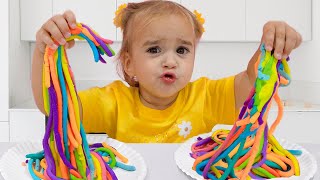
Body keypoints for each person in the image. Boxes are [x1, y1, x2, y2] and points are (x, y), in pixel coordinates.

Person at [31, 0, 302, 143]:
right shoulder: (113, 102)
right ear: (129, 64)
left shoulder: (206, 96)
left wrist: (271, 46)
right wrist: (45, 50)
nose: (170, 61)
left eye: (182, 51)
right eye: (154, 50)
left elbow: (253, 81)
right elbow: (52, 105)